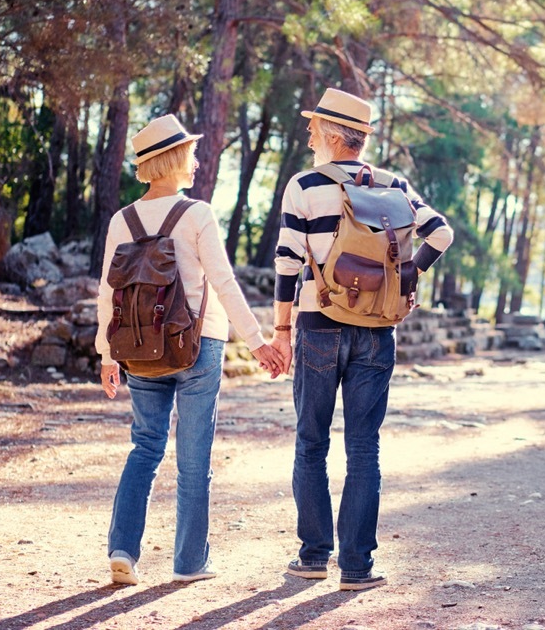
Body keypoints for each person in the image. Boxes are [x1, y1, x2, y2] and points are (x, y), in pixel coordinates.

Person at [272, 88, 453, 591]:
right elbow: (441, 233)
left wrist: (281, 330)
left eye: (313, 129)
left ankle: (312, 557)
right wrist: (409, 275)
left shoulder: (304, 185)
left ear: (333, 135)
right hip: (377, 330)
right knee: (363, 448)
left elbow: (288, 262)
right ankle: (357, 567)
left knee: (311, 443)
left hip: (318, 323)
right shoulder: (395, 185)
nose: (309, 136)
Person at [95, 113, 286, 586]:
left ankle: (123, 550)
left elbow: (108, 292)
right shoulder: (196, 214)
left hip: (139, 348)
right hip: (198, 346)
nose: (197, 161)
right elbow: (222, 283)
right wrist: (258, 342)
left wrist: (106, 354)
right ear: (175, 159)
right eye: (191, 153)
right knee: (194, 458)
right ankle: (189, 563)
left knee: (144, 446)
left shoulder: (124, 220)